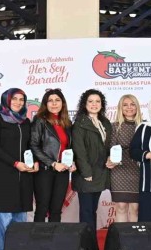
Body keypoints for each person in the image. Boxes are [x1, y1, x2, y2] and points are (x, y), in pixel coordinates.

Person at [0, 88, 37, 250]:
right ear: (6, 100)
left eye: (21, 99)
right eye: (14, 99)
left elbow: (30, 146)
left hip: (23, 177)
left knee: (20, 218)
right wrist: (15, 163)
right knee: (3, 217)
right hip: (2, 176)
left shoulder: (26, 121)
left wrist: (35, 162)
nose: (18, 102)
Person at [31, 89, 75, 222]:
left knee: (56, 210)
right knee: (42, 208)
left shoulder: (67, 123)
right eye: (50, 101)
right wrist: (53, 163)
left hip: (62, 171)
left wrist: (72, 162)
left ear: (63, 103)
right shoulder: (40, 120)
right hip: (45, 170)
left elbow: (69, 147)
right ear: (45, 104)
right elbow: (34, 146)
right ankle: (39, 236)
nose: (54, 103)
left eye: (57, 100)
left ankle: (54, 236)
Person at [72, 89, 113, 230]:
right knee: (86, 212)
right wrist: (86, 172)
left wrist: (111, 158)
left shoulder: (105, 122)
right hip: (86, 175)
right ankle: (86, 243)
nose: (94, 104)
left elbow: (108, 146)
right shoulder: (79, 123)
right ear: (84, 104)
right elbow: (79, 150)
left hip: (100, 173)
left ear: (102, 104)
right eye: (90, 101)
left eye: (97, 101)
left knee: (93, 210)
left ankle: (92, 242)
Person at [108, 94, 143, 222]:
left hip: (138, 170)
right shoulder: (114, 126)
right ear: (120, 108)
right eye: (125, 105)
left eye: (132, 104)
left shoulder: (144, 126)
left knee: (135, 208)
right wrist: (110, 159)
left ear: (137, 107)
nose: (129, 107)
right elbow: (110, 148)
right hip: (119, 170)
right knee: (121, 207)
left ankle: (134, 235)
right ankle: (122, 235)